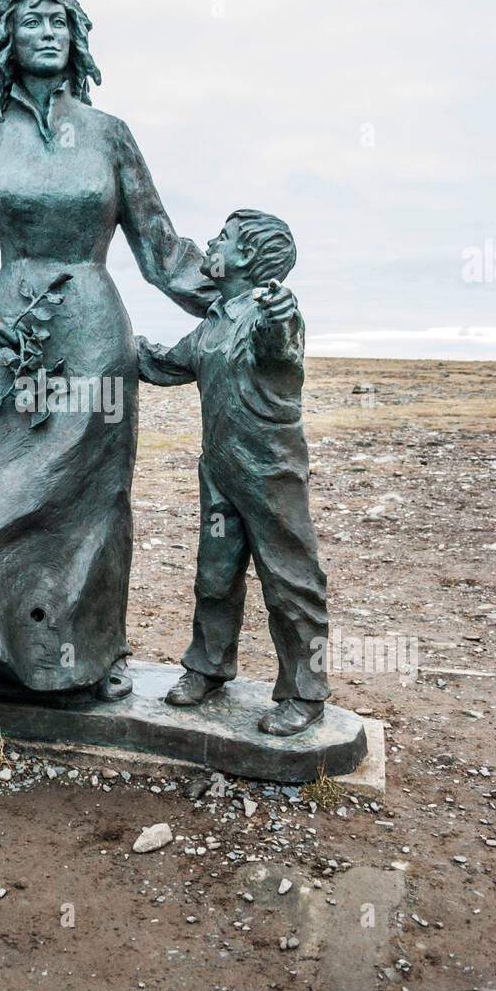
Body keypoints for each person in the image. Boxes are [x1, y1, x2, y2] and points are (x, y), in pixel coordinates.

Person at [0, 0, 216, 700]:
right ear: (6, 38)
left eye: (60, 21)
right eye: (32, 21)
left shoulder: (108, 134)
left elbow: (160, 248)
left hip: (94, 333)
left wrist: (233, 299)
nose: (49, 32)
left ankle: (85, 656)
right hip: (10, 342)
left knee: (87, 501)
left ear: (77, 38)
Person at [136, 210, 331, 735]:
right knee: (215, 576)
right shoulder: (212, 324)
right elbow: (158, 364)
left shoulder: (271, 315)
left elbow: (280, 345)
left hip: (271, 478)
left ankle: (305, 692)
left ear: (247, 257)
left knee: (291, 582)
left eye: (221, 239)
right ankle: (208, 666)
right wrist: (102, 333)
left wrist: (281, 315)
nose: (210, 244)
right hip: (219, 474)